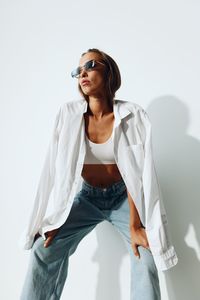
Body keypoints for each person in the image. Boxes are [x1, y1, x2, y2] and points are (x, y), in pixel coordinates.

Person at [19, 48, 178, 300]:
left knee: (147, 258)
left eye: (90, 65)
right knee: (42, 250)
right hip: (86, 198)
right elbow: (51, 169)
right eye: (78, 70)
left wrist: (136, 225)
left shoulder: (133, 116)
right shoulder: (68, 115)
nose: (83, 73)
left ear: (109, 70)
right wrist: (51, 219)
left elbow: (139, 177)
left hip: (124, 199)